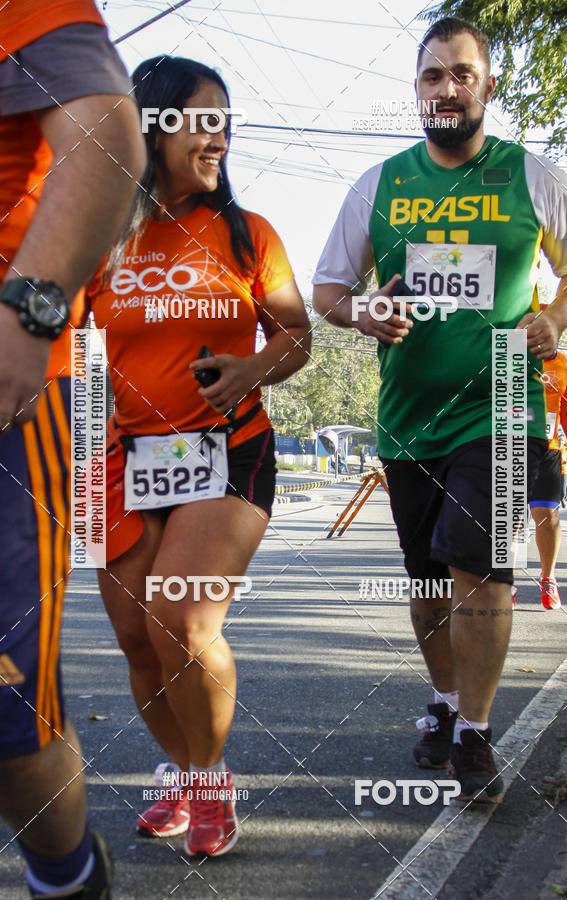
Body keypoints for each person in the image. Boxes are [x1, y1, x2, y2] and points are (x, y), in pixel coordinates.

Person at [313, 17, 567, 803]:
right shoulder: (379, 185)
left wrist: (555, 319)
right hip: (410, 414)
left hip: (501, 405)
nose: (446, 89)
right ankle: (443, 705)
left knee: (478, 563)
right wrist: (365, 311)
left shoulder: (532, 178)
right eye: (433, 76)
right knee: (429, 579)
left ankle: (475, 731)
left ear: (487, 87)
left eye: (462, 75)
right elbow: (328, 292)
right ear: (417, 89)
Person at [86, 56, 311, 858]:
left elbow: (296, 335)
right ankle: (185, 772)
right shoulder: (101, 229)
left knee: (180, 615)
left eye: (226, 121)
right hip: (113, 461)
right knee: (137, 639)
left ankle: (211, 783)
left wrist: (253, 369)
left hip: (227, 453)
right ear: (152, 126)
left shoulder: (249, 233)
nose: (218, 136)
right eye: (200, 119)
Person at [0, 2, 145, 897]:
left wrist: (30, 313)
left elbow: (103, 140)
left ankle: (70, 875)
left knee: (10, 714)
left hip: (28, 394)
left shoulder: (248, 238)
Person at [528, 349, 567, 608]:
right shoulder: (507, 355)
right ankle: (502, 583)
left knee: (547, 516)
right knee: (507, 519)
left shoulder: (563, 363)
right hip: (508, 448)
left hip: (548, 449)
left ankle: (548, 578)